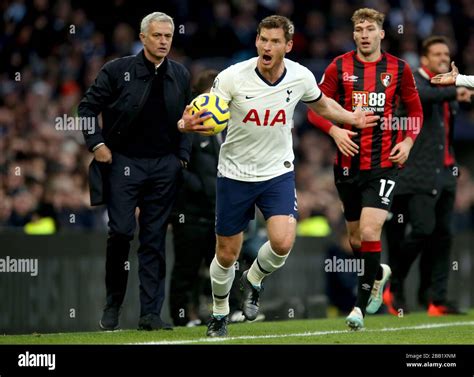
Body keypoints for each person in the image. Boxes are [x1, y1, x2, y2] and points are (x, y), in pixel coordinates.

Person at [178, 15, 380, 337]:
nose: (267, 46)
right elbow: (203, 113)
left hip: (277, 172)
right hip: (235, 173)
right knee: (226, 253)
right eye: (263, 40)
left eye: (275, 41)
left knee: (283, 241)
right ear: (256, 41)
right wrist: (185, 124)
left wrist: (349, 118)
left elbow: (322, 105)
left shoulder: (300, 76)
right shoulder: (232, 77)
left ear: (287, 45)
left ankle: (254, 279)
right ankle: (219, 313)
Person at [78, 11, 203, 331]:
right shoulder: (117, 71)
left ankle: (150, 314)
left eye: (168, 36)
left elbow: (188, 121)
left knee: (154, 239)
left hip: (164, 165)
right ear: (143, 37)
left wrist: (182, 159)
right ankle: (113, 304)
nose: (163, 41)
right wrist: (97, 144)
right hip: (124, 162)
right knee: (120, 232)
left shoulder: (180, 74)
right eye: (158, 35)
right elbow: (87, 108)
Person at [307, 8, 423, 330]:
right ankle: (378, 273)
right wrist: (335, 130)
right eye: (359, 29)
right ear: (353, 34)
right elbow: (315, 109)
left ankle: (358, 309)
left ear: (381, 34)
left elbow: (415, 111)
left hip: (384, 163)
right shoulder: (338, 67)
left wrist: (408, 143)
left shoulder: (398, 70)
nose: (364, 34)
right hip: (347, 166)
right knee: (357, 242)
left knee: (372, 232)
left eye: (370, 29)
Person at [384, 36, 471, 316]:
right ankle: (394, 283)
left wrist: (458, 91)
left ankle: (436, 298)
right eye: (437, 54)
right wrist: (455, 88)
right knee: (421, 229)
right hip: (416, 174)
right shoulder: (415, 82)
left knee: (443, 236)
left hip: (445, 172)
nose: (443, 58)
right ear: (424, 59)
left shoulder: (448, 89)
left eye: (446, 54)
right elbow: (424, 95)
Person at [169, 69, 222, 327]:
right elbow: (177, 165)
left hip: (216, 211)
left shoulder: (224, 126)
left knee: (222, 264)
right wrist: (201, 187)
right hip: (189, 211)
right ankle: (181, 316)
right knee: (186, 268)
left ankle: (228, 310)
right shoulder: (187, 125)